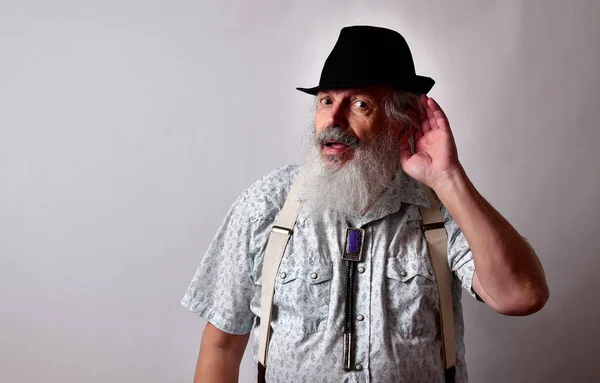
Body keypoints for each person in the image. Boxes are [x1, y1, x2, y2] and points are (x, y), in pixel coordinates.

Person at [181, 25, 549, 383]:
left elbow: (521, 295)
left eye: (360, 103)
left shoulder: (439, 207)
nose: (333, 120)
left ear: (402, 124)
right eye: (326, 100)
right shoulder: (266, 205)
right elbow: (222, 347)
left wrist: (448, 177)